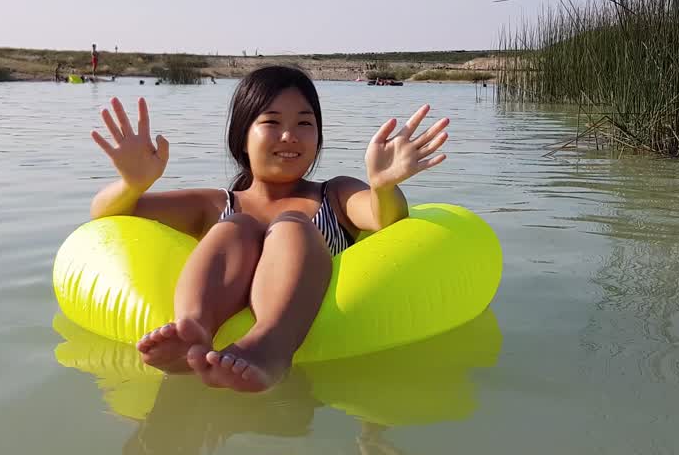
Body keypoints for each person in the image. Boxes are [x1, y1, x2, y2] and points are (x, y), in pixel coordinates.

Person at [88, 65, 450, 393]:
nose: (290, 135)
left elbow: (384, 218)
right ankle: (193, 331)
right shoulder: (214, 204)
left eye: (304, 124)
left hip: (311, 332)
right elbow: (110, 216)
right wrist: (131, 184)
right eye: (272, 122)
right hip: (221, 289)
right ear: (242, 136)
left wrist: (383, 186)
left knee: (291, 226)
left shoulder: (336, 194)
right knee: (236, 227)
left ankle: (269, 345)